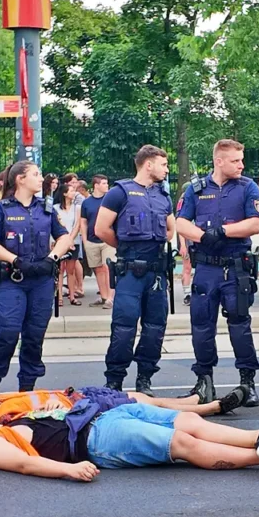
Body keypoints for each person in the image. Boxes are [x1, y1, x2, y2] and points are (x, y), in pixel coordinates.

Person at [0, 402, 259, 478]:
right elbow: (24, 463)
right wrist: (68, 471)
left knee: (188, 420)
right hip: (97, 438)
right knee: (180, 442)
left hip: (99, 415)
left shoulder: (8, 418)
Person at [176, 139, 259, 407]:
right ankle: (204, 380)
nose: (241, 164)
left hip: (235, 267)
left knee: (240, 324)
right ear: (219, 161)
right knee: (201, 325)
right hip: (206, 268)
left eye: (241, 159)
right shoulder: (196, 189)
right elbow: (180, 222)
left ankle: (247, 382)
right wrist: (203, 236)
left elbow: (254, 223)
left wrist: (224, 231)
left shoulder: (248, 187)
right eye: (236, 160)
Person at [0, 161, 73, 400]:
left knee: (34, 335)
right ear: (20, 179)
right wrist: (16, 260)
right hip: (13, 279)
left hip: (41, 280)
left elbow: (64, 238)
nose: (41, 179)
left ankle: (26, 391)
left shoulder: (47, 209)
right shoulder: (1, 209)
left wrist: (52, 258)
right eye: (36, 174)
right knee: (7, 332)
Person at [95, 145, 174, 396]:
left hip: (157, 273)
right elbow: (101, 228)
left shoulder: (163, 195)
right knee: (124, 327)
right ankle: (114, 381)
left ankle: (144, 379)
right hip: (130, 271)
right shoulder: (119, 193)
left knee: (155, 328)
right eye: (163, 164)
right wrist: (127, 249)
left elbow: (170, 231)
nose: (166, 169)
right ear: (148, 164)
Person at [0, 384, 253, 437]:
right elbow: (30, 423)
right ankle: (210, 407)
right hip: (80, 408)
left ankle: (195, 403)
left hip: (76, 394)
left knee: (140, 396)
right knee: (141, 402)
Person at [80, 174, 115, 308]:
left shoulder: (109, 200)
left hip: (107, 240)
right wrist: (84, 239)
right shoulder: (87, 202)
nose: (107, 186)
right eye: (104, 183)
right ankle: (104, 296)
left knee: (108, 268)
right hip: (92, 240)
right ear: (96, 185)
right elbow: (83, 222)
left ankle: (110, 298)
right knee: (98, 269)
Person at [55, 183, 83, 307]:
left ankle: (72, 296)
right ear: (64, 193)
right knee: (59, 270)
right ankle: (59, 296)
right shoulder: (55, 208)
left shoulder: (77, 208)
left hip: (73, 242)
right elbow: (57, 225)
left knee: (70, 270)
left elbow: (77, 225)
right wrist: (64, 240)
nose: (74, 193)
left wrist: (70, 239)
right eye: (71, 191)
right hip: (59, 242)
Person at [177, 191, 193, 307]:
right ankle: (187, 294)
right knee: (187, 267)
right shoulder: (183, 207)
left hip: (198, 237)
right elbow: (180, 228)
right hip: (188, 240)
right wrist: (183, 245)